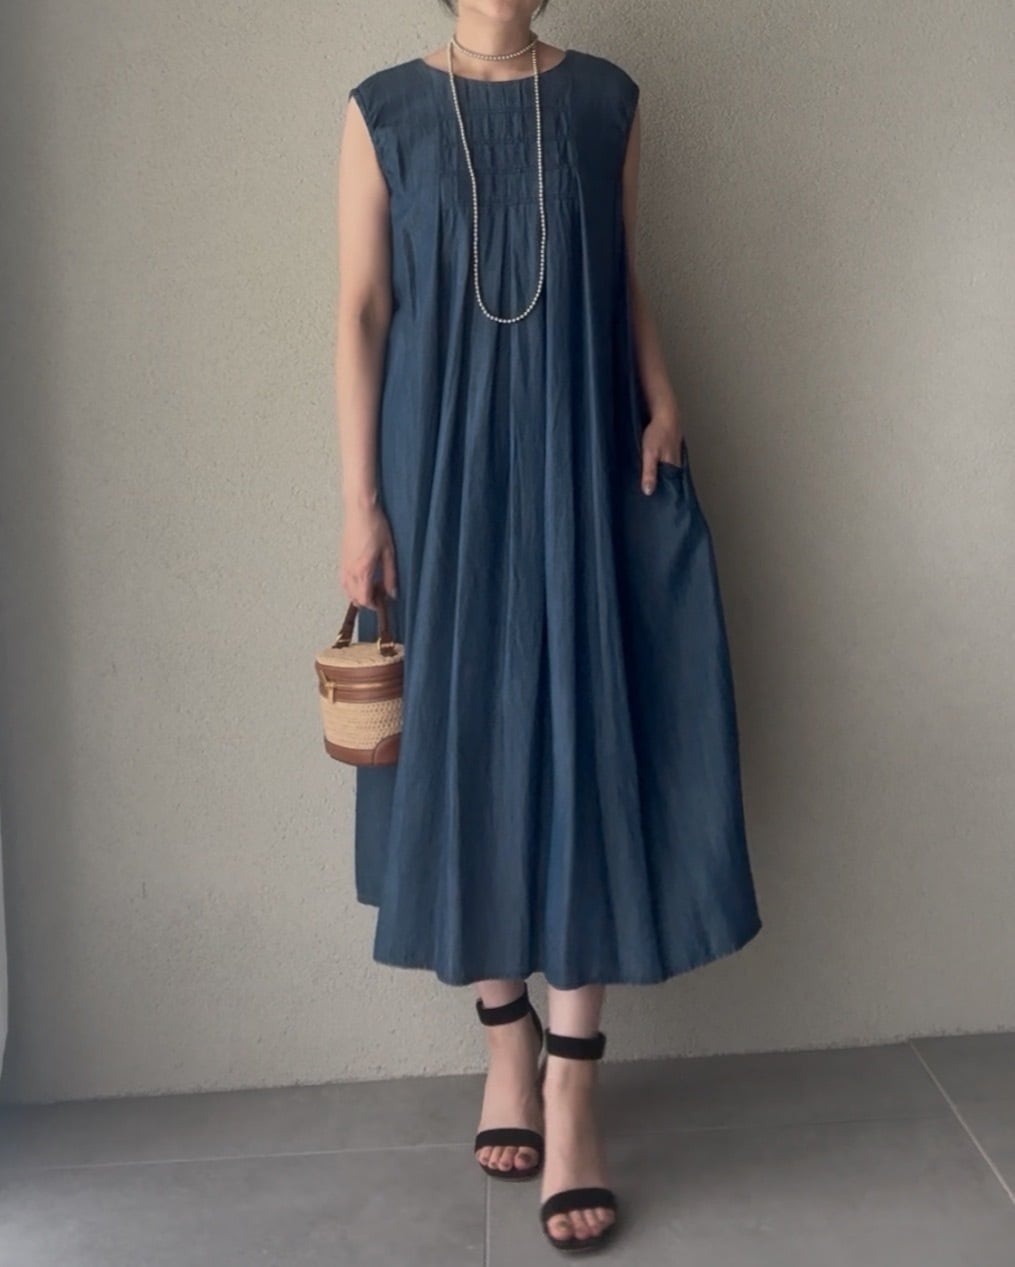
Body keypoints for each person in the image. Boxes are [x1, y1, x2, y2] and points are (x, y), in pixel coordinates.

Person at [335, 0, 763, 1252]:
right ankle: (504, 1045)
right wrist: (361, 504)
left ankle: (572, 1085)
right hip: (438, 471)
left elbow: (620, 273)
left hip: (583, 448)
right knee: (468, 736)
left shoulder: (603, 101)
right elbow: (362, 309)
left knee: (587, 723)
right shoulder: (381, 111)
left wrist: (663, 392)